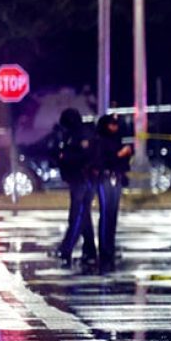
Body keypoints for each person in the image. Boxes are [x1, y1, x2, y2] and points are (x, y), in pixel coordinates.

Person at [54, 108, 98, 269]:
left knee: (77, 216)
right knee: (84, 217)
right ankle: (89, 250)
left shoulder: (82, 134)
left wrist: (66, 157)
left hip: (83, 179)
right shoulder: (71, 135)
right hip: (76, 179)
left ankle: (67, 248)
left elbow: (85, 156)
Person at [94, 114, 132, 274]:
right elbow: (102, 160)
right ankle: (104, 251)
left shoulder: (117, 139)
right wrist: (119, 155)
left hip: (116, 178)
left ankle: (110, 248)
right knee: (106, 214)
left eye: (116, 124)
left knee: (113, 215)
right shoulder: (100, 141)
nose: (115, 127)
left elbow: (123, 163)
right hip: (104, 178)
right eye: (112, 124)